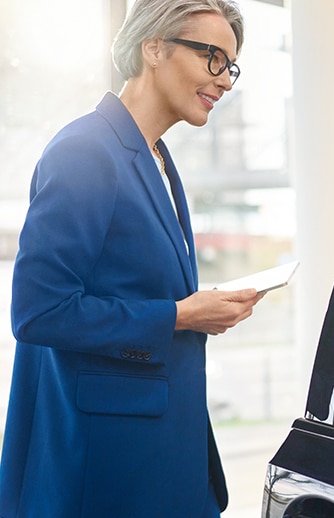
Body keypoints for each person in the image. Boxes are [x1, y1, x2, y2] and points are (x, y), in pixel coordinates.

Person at [1, 1, 258, 516]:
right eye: (212, 57)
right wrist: (182, 315)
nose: (225, 82)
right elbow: (38, 312)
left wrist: (193, 307)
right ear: (154, 47)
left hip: (164, 458)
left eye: (229, 65)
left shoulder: (157, 158)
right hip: (107, 470)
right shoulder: (86, 151)